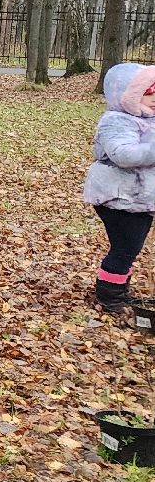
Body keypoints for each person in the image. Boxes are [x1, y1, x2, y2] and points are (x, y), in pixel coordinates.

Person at [85, 61, 155, 313]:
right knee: (125, 248)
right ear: (129, 95)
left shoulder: (148, 119)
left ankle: (119, 287)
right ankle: (110, 295)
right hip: (118, 198)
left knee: (130, 247)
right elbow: (123, 155)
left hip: (139, 200)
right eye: (148, 94)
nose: (154, 99)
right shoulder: (116, 121)